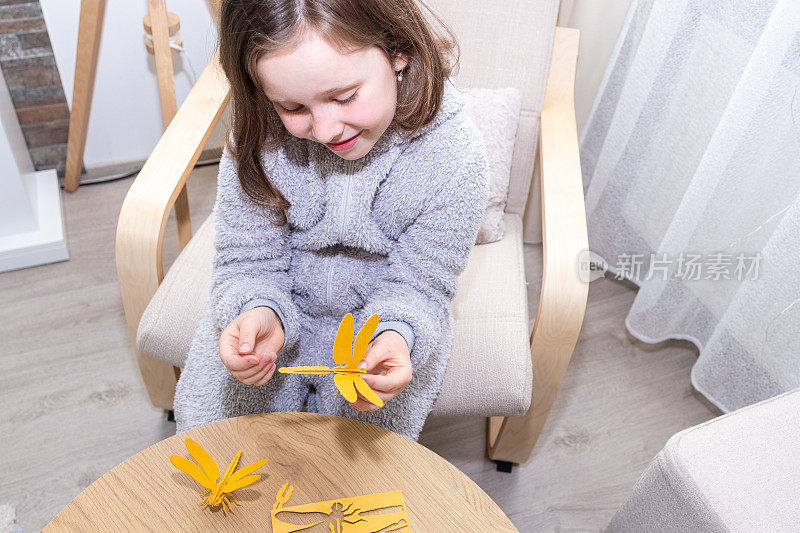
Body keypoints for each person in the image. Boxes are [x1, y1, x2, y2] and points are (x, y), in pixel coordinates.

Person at [174, 0, 490, 441]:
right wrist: (257, 309)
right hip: (279, 299)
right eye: (292, 106)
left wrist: (398, 335)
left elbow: (421, 284)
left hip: (383, 318)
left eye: (344, 97)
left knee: (358, 477)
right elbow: (246, 261)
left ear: (398, 50)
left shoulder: (456, 157)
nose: (325, 131)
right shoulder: (259, 141)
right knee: (220, 446)